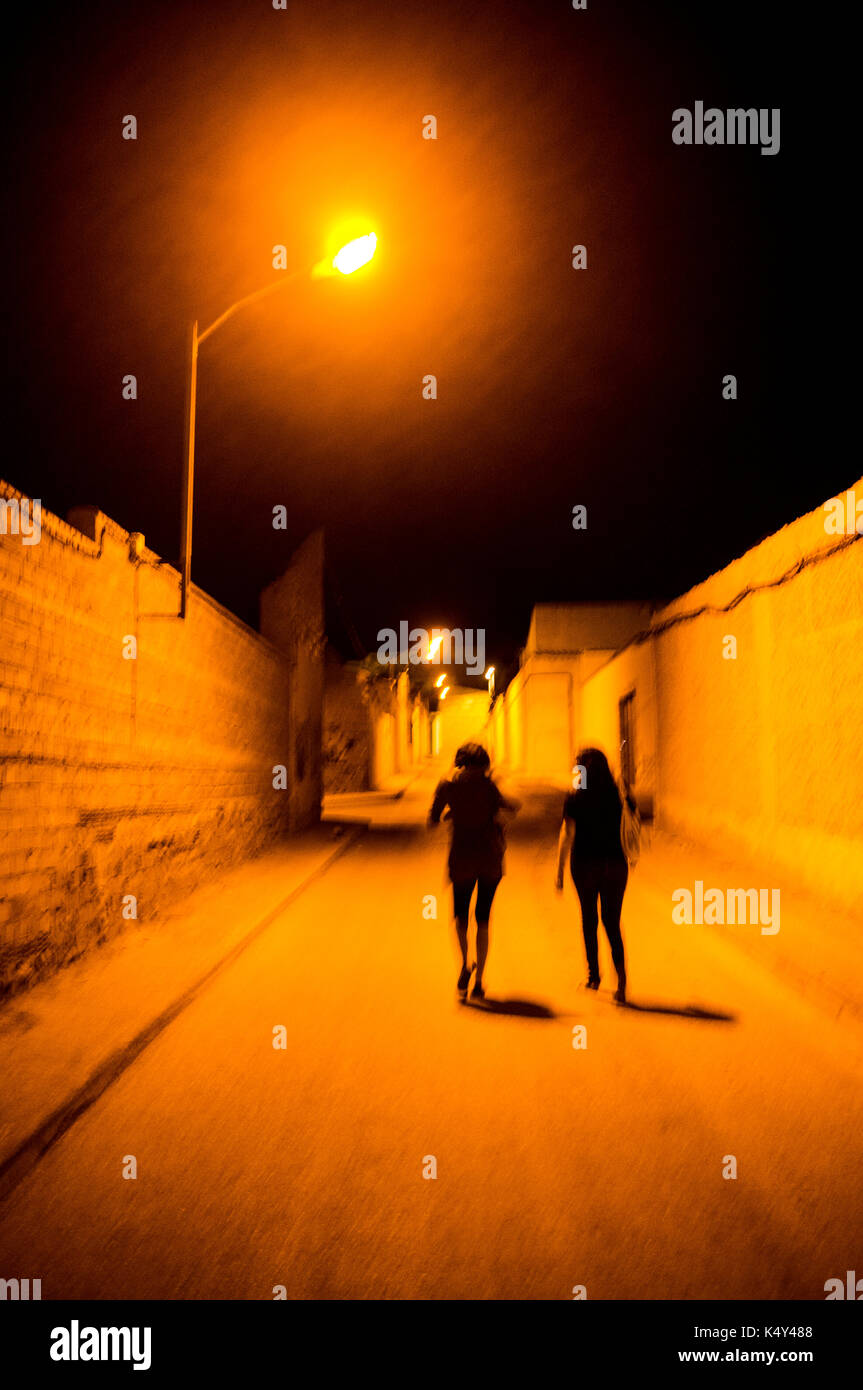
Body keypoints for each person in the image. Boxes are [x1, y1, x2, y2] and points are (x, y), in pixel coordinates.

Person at [428, 743, 520, 1001]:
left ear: (460, 762)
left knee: (460, 916)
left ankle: (464, 966)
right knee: (483, 918)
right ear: (484, 764)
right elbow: (513, 807)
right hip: (490, 859)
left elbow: (432, 820)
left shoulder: (448, 785)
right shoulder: (490, 787)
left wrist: (450, 814)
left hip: (462, 858)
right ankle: (479, 981)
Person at [555, 747, 634, 1004]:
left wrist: (559, 870)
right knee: (612, 922)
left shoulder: (575, 798)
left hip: (585, 864)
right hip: (615, 865)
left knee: (589, 919)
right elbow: (634, 820)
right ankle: (621, 984)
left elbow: (568, 835)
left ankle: (593, 978)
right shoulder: (618, 795)